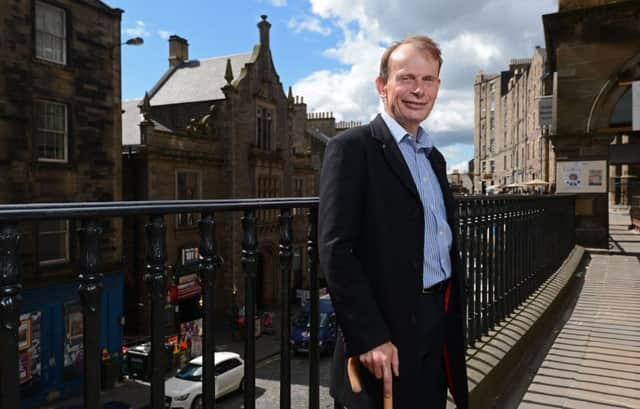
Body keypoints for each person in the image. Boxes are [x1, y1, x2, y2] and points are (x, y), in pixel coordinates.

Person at [319, 35, 469, 409]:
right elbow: (336, 250)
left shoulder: (434, 158)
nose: (418, 90)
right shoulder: (352, 148)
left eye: (428, 80)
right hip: (386, 331)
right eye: (406, 78)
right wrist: (369, 336)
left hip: (437, 321)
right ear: (381, 85)